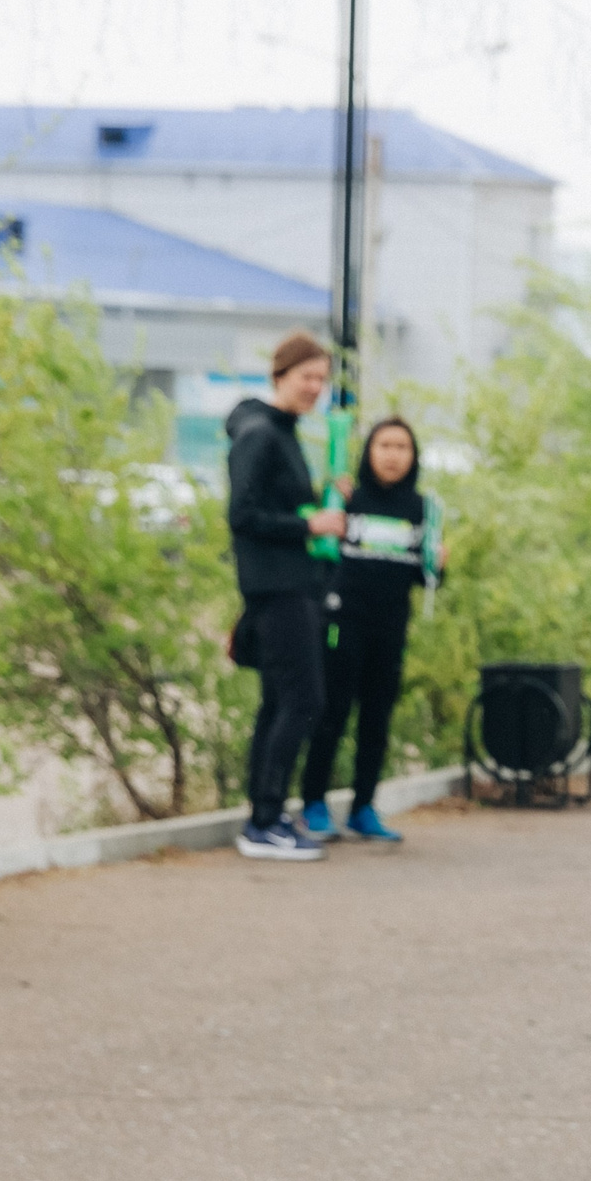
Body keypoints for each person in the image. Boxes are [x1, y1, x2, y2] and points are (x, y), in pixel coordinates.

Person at [225, 330, 347, 862]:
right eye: (307, 378)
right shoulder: (260, 433)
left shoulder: (284, 432)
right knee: (304, 701)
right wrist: (312, 524)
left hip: (290, 584)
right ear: (280, 376)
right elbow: (243, 516)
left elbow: (280, 506)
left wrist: (324, 501)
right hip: (277, 588)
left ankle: (266, 816)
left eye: (322, 380)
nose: (315, 388)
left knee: (280, 701)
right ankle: (266, 820)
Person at [300, 416, 443, 843]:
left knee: (377, 720)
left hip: (391, 626)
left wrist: (440, 563)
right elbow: (318, 553)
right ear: (369, 451)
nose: (393, 455)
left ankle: (364, 807)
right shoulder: (346, 498)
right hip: (344, 624)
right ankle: (313, 802)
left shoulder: (423, 509)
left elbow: (426, 575)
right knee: (332, 713)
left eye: (402, 447)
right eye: (384, 445)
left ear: (413, 456)